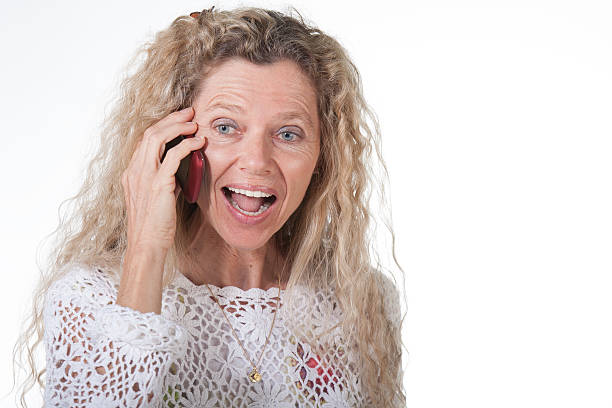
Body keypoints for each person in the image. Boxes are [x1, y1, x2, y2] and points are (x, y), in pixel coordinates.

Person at [12, 6, 405, 407]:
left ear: (323, 157)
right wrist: (146, 248)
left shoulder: (362, 301)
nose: (256, 161)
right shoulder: (88, 297)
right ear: (175, 145)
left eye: (288, 133)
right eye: (224, 127)